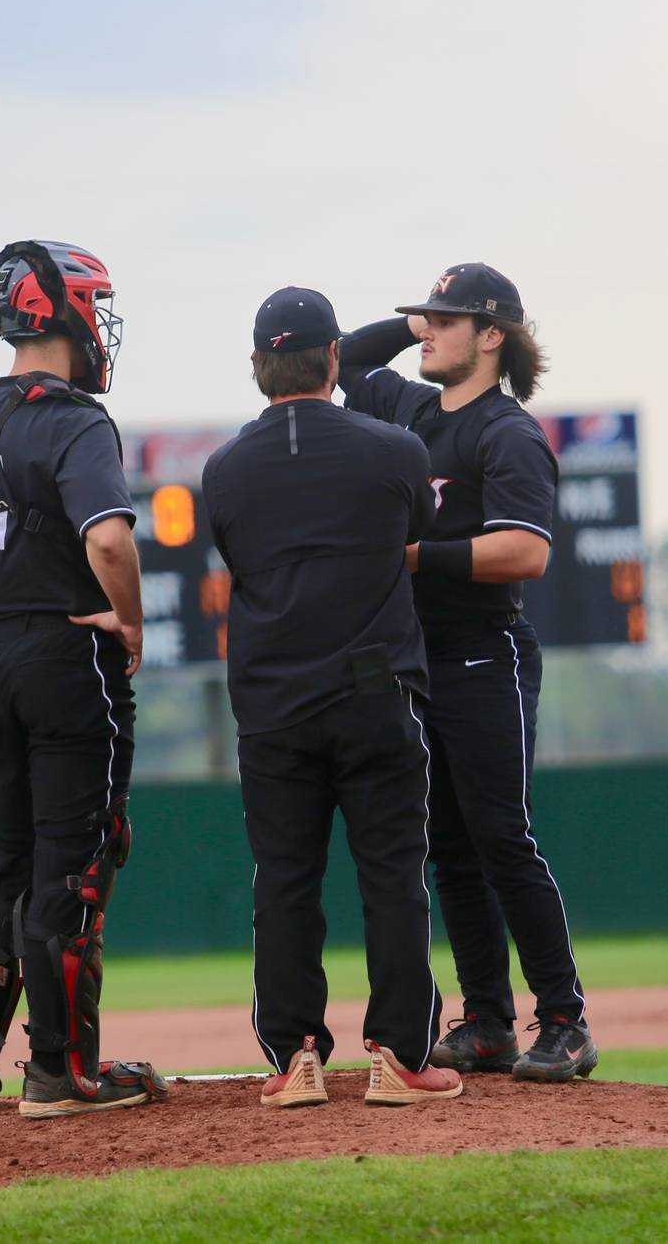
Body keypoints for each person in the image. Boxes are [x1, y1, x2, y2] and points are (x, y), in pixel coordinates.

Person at [337, 263, 598, 1083]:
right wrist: (413, 324)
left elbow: (527, 551)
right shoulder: (414, 409)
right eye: (426, 318)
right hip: (424, 661)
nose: (427, 329)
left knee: (502, 839)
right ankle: (486, 1019)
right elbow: (342, 361)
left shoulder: (507, 432)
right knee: (448, 846)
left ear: (493, 336)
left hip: (487, 654)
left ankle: (565, 1019)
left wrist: (418, 555)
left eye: (445, 319)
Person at [0, 239, 166, 1119]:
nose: (99, 326)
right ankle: (61, 1074)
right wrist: (130, 618)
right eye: (93, 307)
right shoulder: (75, 422)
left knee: (6, 861)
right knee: (75, 860)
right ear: (61, 310)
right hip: (68, 655)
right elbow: (107, 538)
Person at [203, 287, 460, 1108]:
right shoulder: (392, 449)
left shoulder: (224, 468)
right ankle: (399, 1057)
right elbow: (416, 529)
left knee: (283, 879)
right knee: (392, 876)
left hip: (273, 702)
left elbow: (238, 553)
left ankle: (295, 1057)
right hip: (373, 692)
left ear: (258, 367)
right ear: (333, 361)